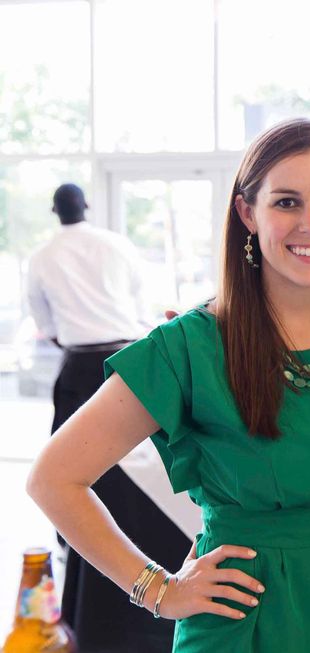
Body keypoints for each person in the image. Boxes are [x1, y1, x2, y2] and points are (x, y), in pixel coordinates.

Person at [27, 118, 310, 653]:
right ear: (248, 212)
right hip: (246, 621)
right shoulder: (191, 346)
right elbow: (52, 479)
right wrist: (159, 590)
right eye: (287, 202)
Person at [27, 183, 191, 653]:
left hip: (81, 362)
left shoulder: (43, 255)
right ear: (88, 207)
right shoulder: (117, 244)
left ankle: (78, 547)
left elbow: (44, 319)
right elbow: (139, 300)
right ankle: (95, 549)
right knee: (83, 472)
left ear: (55, 211)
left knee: (81, 472)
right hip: (129, 352)